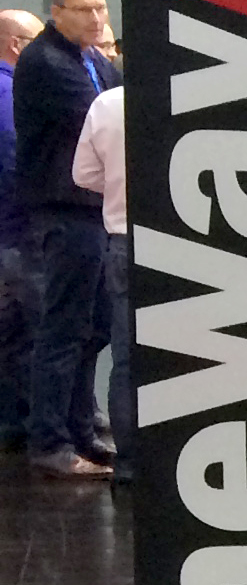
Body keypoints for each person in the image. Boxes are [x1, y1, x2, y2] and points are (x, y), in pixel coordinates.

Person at [17, 0, 116, 477]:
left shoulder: (93, 58)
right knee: (63, 328)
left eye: (101, 8)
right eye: (84, 10)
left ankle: (81, 431)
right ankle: (50, 441)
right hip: (64, 211)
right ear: (56, 13)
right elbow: (104, 117)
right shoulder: (46, 61)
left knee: (95, 326)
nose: (96, 19)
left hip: (95, 211)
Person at [73, 75, 130, 485]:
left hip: (123, 238)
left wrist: (115, 187)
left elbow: (83, 175)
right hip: (187, 241)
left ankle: (129, 463)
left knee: (126, 359)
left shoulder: (107, 104)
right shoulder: (196, 102)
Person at [0, 9, 37, 455]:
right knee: (28, 333)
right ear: (16, 44)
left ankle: (14, 425)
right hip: (16, 230)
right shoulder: (10, 93)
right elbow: (15, 161)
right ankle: (29, 426)